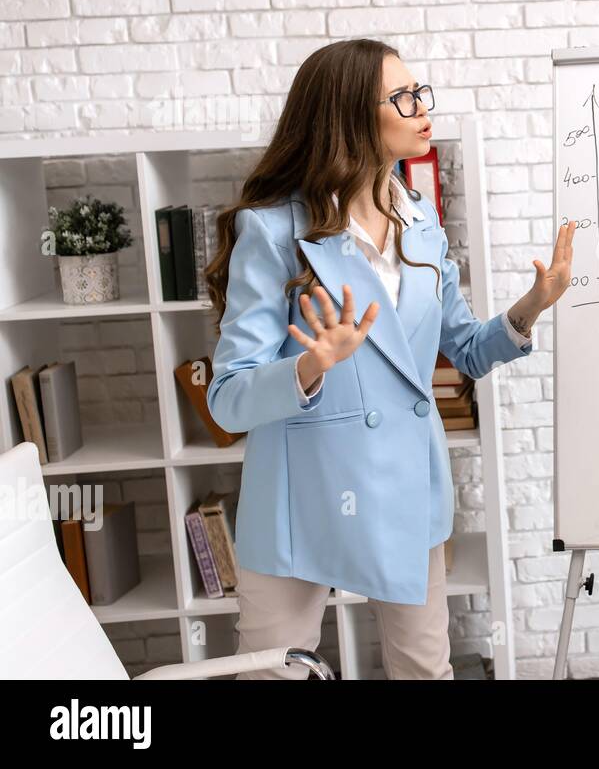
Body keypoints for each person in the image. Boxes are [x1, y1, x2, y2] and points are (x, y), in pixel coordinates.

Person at [204, 38, 577, 678]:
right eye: (402, 97)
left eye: (418, 91)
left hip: (408, 483)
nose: (421, 106)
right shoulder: (271, 229)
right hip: (302, 497)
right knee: (273, 674)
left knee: (423, 671)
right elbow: (228, 398)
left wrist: (532, 306)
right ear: (349, 115)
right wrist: (311, 365)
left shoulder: (419, 217)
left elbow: (462, 347)